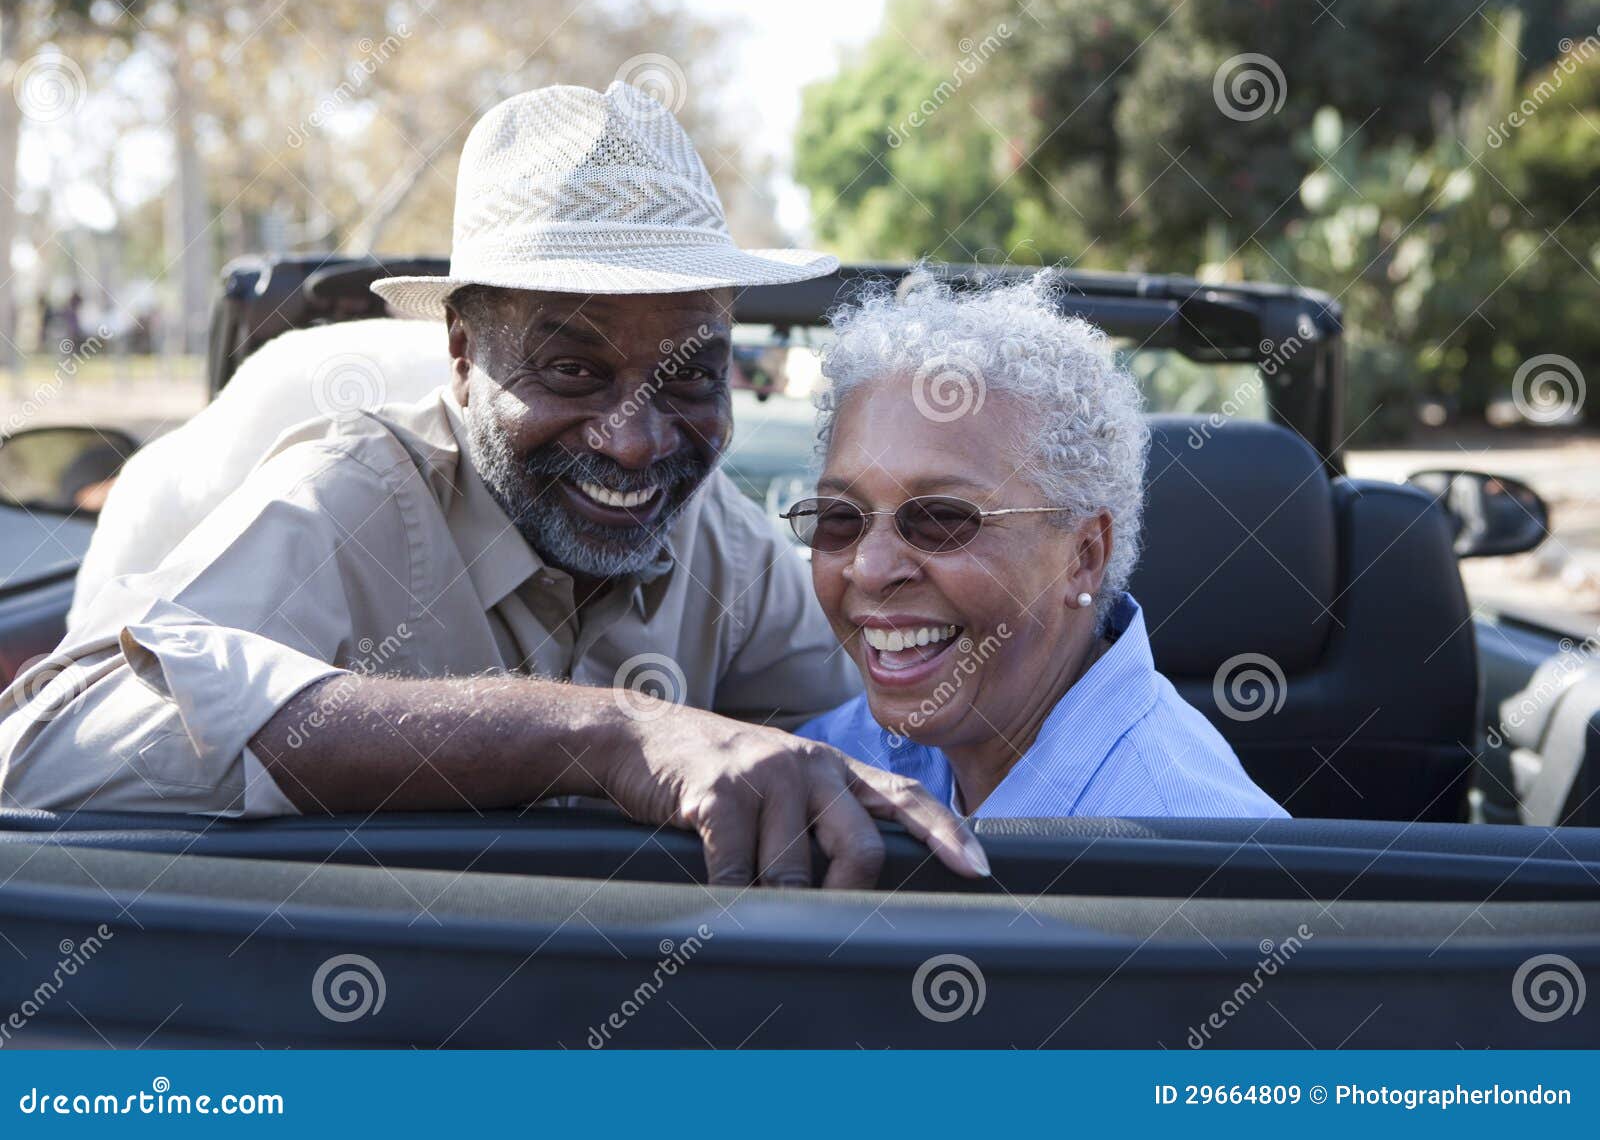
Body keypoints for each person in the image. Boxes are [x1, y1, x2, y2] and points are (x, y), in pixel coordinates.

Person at [0, 83, 989, 890]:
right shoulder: (354, 495)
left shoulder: (719, 542)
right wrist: (600, 735)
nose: (637, 442)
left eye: (688, 376)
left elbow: (902, 716)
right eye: (571, 372)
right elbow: (48, 751)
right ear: (464, 358)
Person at [791, 275, 1289, 820]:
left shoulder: (1192, 850)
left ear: (1084, 557)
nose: (869, 567)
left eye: (941, 519)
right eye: (840, 519)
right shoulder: (839, 754)